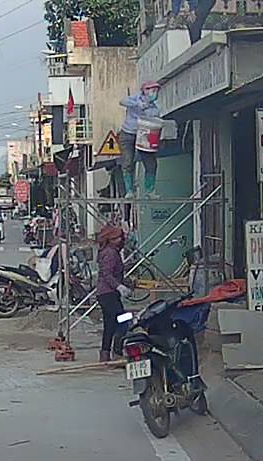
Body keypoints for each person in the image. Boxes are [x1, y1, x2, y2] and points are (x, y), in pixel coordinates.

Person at [96, 222, 133, 363]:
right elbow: (107, 274)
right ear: (110, 239)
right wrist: (119, 287)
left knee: (110, 325)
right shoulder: (110, 253)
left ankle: (105, 353)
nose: (121, 240)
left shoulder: (110, 252)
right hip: (108, 294)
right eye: (117, 238)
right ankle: (117, 351)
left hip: (106, 294)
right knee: (124, 320)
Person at [119, 82, 162, 198]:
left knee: (151, 164)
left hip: (144, 136)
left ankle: (150, 191)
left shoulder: (154, 109)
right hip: (128, 134)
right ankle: (129, 191)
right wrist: (137, 104)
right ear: (145, 91)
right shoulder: (135, 98)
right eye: (153, 91)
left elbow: (155, 123)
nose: (155, 94)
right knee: (128, 162)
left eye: (156, 91)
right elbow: (122, 101)